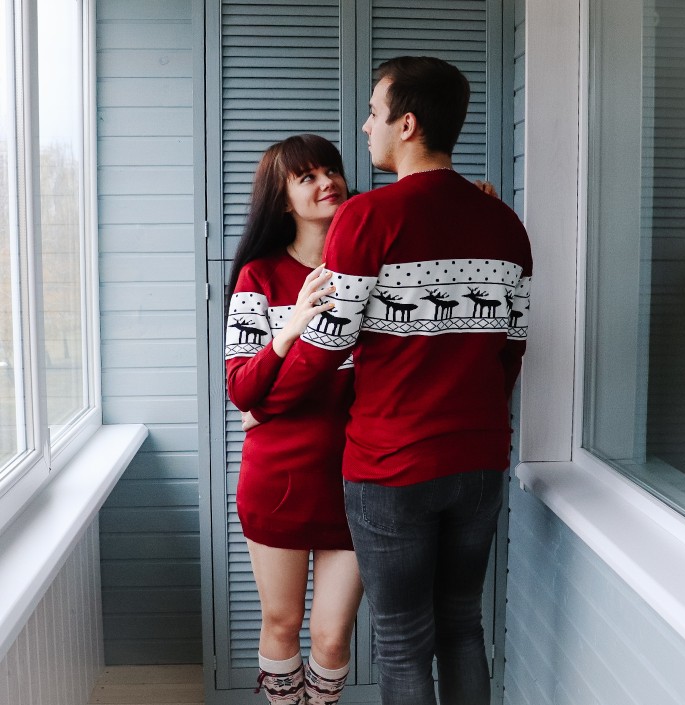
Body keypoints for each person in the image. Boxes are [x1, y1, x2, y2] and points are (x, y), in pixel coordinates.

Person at [244, 56, 533, 705]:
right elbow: (510, 349)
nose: (366, 126)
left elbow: (325, 347)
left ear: (406, 124)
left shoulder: (368, 217)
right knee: (462, 627)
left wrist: (264, 398)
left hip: (392, 465)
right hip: (479, 460)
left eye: (374, 112)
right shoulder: (504, 223)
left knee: (402, 639)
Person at [224, 134, 364, 705]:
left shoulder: (370, 275)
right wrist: (292, 325)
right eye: (307, 177)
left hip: (357, 480)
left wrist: (472, 202)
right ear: (282, 200)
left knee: (331, 637)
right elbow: (241, 388)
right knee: (281, 624)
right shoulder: (258, 277)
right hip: (277, 481)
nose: (327, 182)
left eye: (331, 170)